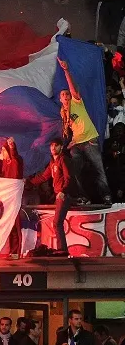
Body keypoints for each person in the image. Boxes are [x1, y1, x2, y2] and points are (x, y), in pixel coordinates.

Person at [57, 58, 111, 206]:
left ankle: (106, 197)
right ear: (60, 99)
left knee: (98, 169)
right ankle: (83, 197)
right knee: (73, 172)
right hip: (77, 144)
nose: (66, 96)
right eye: (63, 95)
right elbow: (69, 131)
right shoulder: (63, 112)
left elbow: (73, 88)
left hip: (89, 140)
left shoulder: (76, 103)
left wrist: (66, 71)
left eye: (67, 94)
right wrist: (68, 143)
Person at [27, 139, 75, 254]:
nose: (53, 148)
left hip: (64, 195)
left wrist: (63, 191)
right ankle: (62, 249)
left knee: (57, 222)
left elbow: (69, 177)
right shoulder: (53, 162)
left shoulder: (63, 159)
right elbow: (44, 177)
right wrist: (28, 182)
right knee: (57, 222)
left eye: (56, 145)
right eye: (52, 145)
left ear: (61, 147)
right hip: (59, 194)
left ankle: (62, 250)